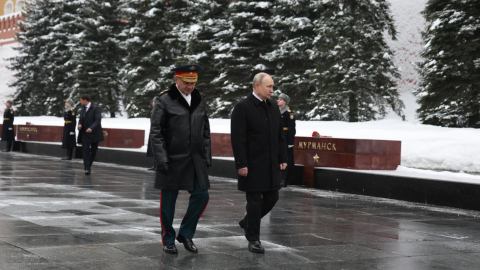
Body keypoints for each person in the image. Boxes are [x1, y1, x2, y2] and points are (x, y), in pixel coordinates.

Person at [150, 64, 211, 255]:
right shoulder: (164, 100)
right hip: (172, 158)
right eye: (186, 82)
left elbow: (205, 130)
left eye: (193, 82)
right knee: (168, 202)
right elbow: (156, 132)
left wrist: (206, 156)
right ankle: (168, 239)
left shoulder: (200, 99)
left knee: (202, 195)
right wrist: (161, 159)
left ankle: (185, 233)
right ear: (176, 80)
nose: (190, 86)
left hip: (195, 159)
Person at [231, 72, 288, 253]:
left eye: (272, 86)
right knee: (254, 202)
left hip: (270, 163)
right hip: (252, 164)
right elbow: (238, 139)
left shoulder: (272, 107)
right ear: (257, 86)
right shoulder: (243, 107)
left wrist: (283, 158)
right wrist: (241, 163)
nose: (272, 90)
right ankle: (254, 239)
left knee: (273, 197)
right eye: (269, 86)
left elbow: (280, 135)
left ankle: (247, 221)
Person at [77, 94, 104, 175]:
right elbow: (81, 119)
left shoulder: (95, 108)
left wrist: (91, 128)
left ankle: (89, 164)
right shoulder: (83, 110)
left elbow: (97, 120)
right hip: (85, 133)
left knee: (93, 150)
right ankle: (87, 168)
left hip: (94, 133)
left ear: (85, 100)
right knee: (85, 150)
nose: (80, 101)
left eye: (81, 100)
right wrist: (79, 124)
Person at [277, 93, 296, 187]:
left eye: (280, 99)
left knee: (286, 159)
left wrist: (290, 142)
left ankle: (284, 180)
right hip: (278, 139)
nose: (278, 100)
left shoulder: (289, 113)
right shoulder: (277, 112)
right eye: (278, 99)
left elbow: (292, 129)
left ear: (285, 102)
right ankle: (279, 178)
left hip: (285, 139)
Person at [146, 99, 155, 171]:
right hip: (152, 131)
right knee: (153, 149)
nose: (153, 103)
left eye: (154, 102)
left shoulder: (159, 110)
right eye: (153, 102)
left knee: (156, 149)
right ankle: (155, 164)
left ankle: (157, 165)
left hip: (157, 132)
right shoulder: (153, 110)